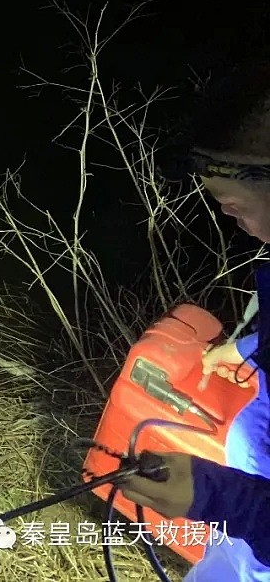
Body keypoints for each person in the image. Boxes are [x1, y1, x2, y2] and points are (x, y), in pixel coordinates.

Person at [120, 62, 270, 581]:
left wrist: (212, 494)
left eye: (233, 210)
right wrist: (244, 349)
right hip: (246, 524)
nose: (244, 230)